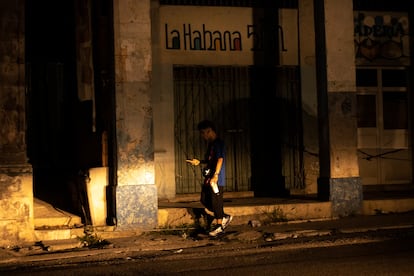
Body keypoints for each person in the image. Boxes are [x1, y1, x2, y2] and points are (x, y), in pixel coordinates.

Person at [186, 120, 233, 237]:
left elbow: (220, 159)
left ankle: (219, 227)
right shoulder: (211, 145)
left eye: (203, 133)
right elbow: (209, 160)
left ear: (209, 131)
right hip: (209, 178)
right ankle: (223, 217)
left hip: (216, 179)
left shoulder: (219, 143)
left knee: (216, 201)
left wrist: (216, 175)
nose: (202, 136)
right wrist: (199, 162)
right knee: (204, 199)